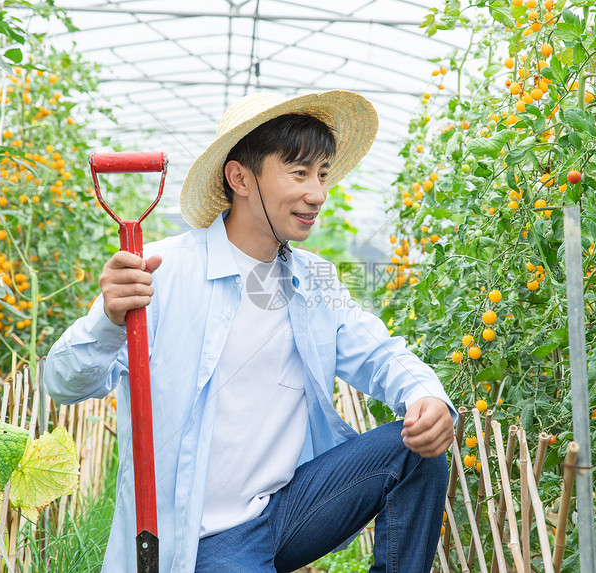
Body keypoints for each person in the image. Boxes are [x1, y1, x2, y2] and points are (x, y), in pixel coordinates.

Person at [44, 90, 457, 573]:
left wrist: (425, 395)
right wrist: (108, 320)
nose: (317, 193)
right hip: (201, 542)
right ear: (240, 176)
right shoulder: (163, 270)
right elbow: (62, 383)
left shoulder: (313, 280)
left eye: (322, 174)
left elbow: (381, 354)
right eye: (299, 172)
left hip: (285, 512)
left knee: (418, 452)